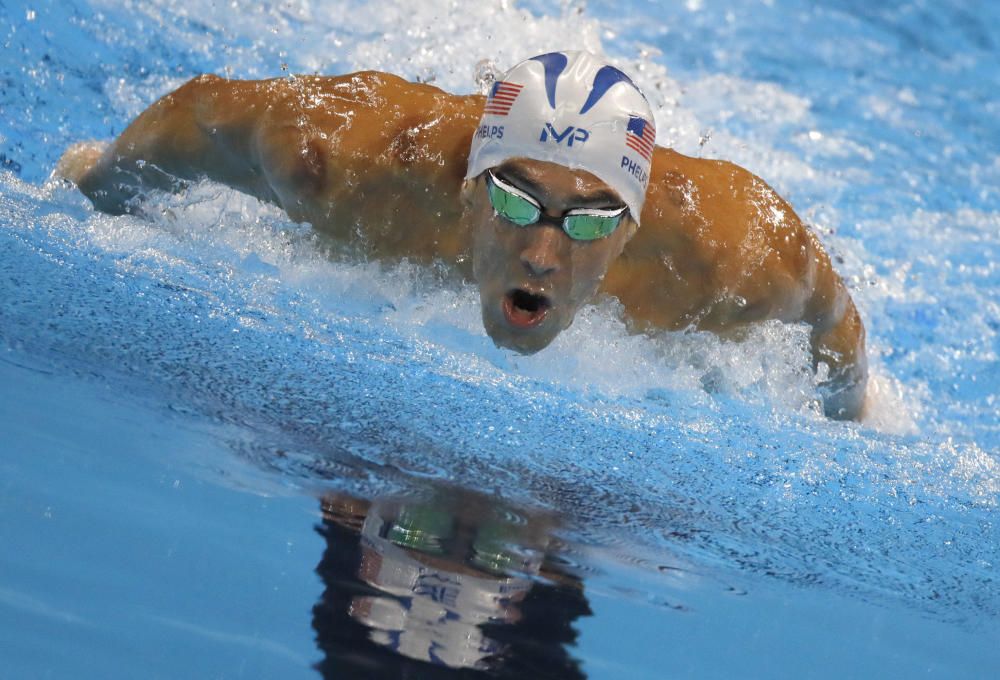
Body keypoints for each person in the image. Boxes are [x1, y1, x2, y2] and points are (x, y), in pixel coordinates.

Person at [56, 51, 867, 419]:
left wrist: (848, 417)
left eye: (587, 222)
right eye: (516, 204)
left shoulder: (731, 257)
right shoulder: (340, 164)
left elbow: (837, 328)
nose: (544, 253)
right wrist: (95, 183)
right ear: (471, 188)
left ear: (632, 228)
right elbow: (198, 109)